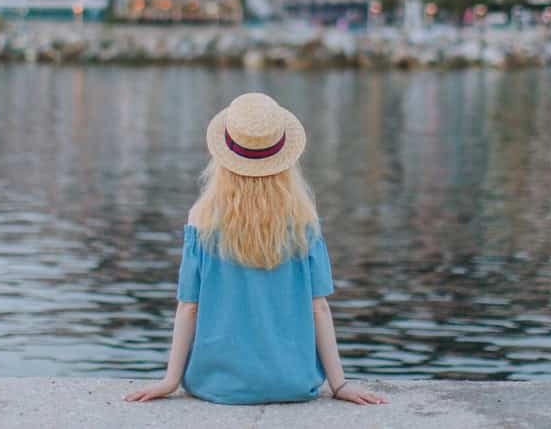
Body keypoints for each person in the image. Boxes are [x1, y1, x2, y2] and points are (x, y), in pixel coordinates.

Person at [125, 92, 387, 406]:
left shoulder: (202, 219)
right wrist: (339, 383)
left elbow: (188, 307)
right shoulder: (304, 220)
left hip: (217, 384)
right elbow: (319, 308)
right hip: (295, 382)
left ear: (222, 156)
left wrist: (170, 380)